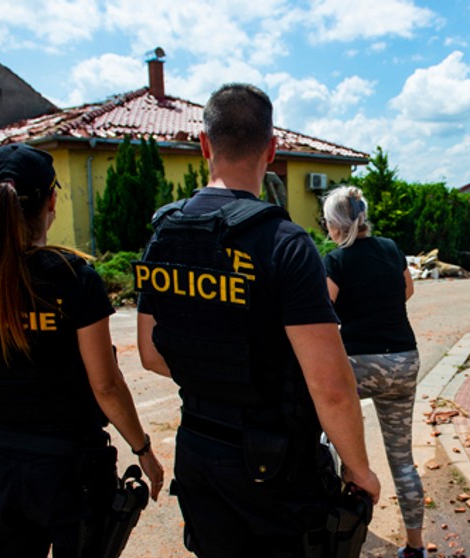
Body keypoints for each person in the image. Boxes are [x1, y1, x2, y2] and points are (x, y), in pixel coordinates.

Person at [136, 83, 380, 557]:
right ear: (271, 150)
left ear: (204, 145)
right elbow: (329, 382)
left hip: (199, 452)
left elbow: (150, 353)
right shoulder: (286, 243)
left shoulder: (165, 233)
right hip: (275, 468)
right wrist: (359, 467)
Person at [0, 143, 164, 557]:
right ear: (52, 200)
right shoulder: (74, 278)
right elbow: (106, 386)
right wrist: (144, 451)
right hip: (68, 470)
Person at [321, 186, 425, 558]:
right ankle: (415, 548)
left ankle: (341, 513)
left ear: (336, 223)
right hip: (404, 361)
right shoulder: (391, 248)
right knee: (402, 459)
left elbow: (320, 314)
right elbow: (406, 291)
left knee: (324, 430)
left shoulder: (335, 260)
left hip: (359, 365)